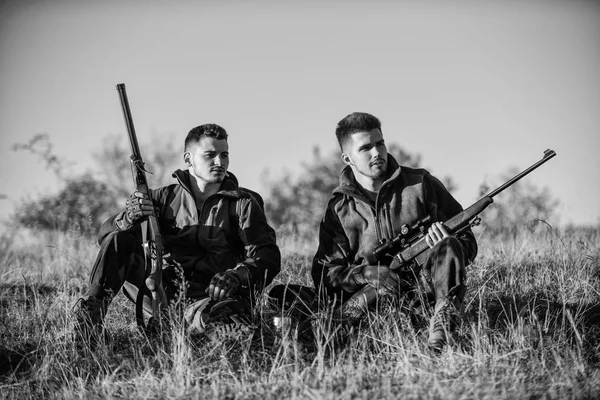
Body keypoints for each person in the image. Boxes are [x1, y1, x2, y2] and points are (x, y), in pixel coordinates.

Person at [74, 123, 281, 346]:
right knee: (119, 239)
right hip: (158, 294)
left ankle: (179, 329)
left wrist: (236, 275)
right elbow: (105, 237)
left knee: (231, 329)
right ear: (188, 158)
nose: (219, 162)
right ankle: (89, 323)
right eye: (210, 155)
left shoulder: (243, 202)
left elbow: (267, 256)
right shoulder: (160, 198)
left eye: (224, 155)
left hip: (212, 298)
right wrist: (128, 218)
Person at [311, 112, 478, 351]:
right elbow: (325, 276)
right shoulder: (339, 209)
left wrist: (448, 245)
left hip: (428, 293)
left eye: (380, 143)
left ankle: (442, 328)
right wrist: (365, 274)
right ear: (347, 158)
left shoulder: (421, 184)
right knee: (328, 332)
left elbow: (467, 241)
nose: (377, 153)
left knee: (449, 243)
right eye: (366, 148)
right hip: (376, 302)